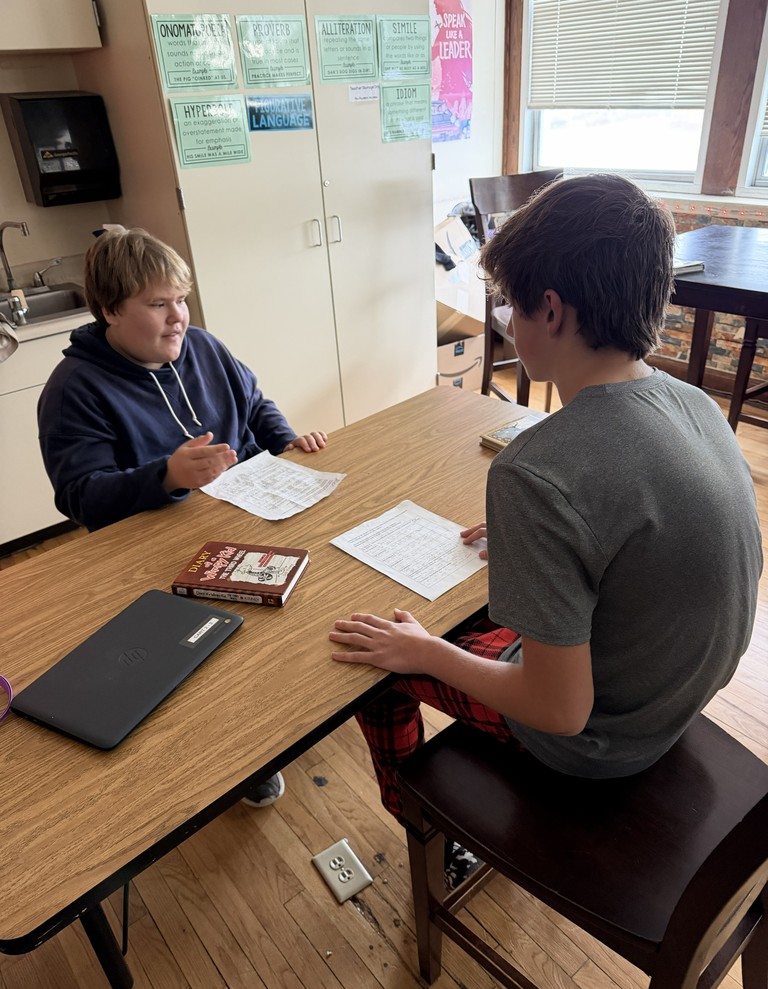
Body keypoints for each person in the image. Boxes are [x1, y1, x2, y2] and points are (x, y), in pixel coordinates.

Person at [329, 173, 763, 888]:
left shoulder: (538, 470)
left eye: (507, 304)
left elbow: (559, 710)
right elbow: (649, 539)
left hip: (601, 740)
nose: (502, 320)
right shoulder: (691, 403)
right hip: (677, 693)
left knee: (384, 668)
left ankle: (423, 825)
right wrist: (566, 556)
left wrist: (425, 653)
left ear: (551, 311)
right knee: (455, 635)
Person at [38, 226, 329, 808]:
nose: (178, 317)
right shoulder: (76, 389)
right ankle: (244, 754)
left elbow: (254, 402)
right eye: (157, 304)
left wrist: (285, 439)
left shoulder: (204, 345)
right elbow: (81, 497)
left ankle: (296, 704)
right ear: (111, 310)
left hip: (250, 506)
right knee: (217, 657)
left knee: (307, 595)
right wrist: (166, 477)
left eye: (181, 299)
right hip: (156, 547)